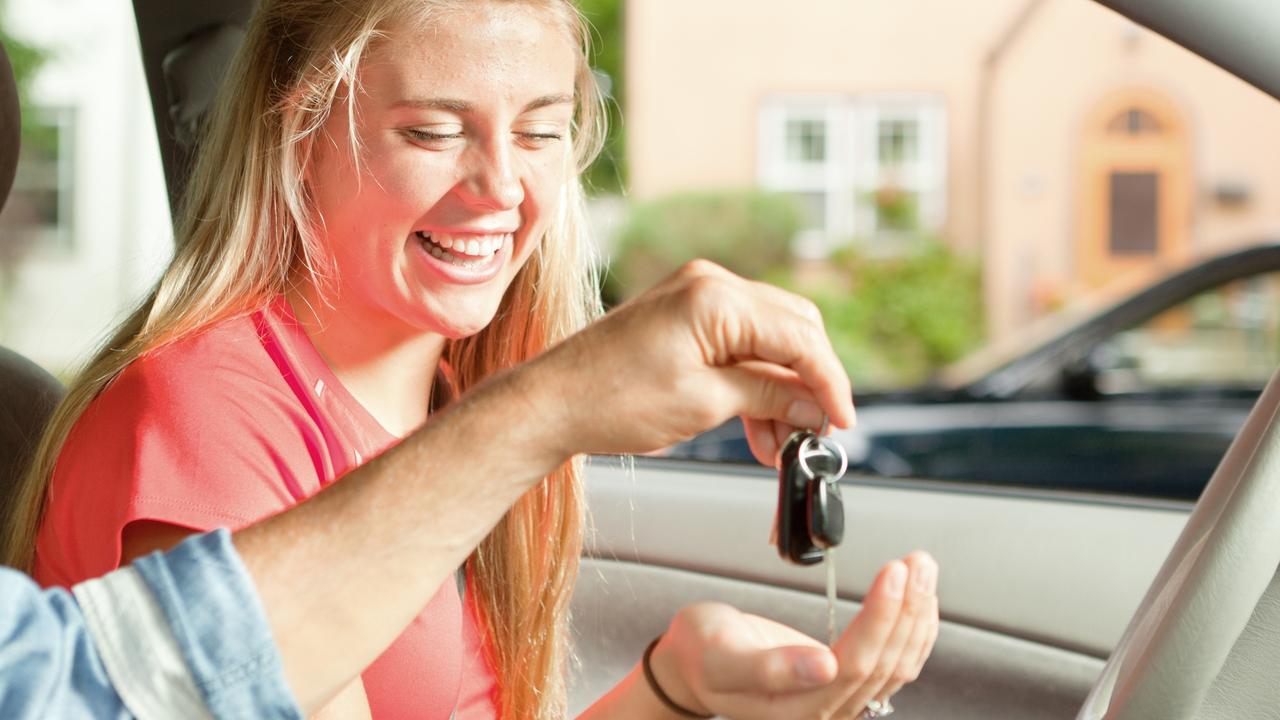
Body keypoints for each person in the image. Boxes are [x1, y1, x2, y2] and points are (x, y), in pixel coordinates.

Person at [1, 1, 940, 718]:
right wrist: (551, 408)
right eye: (432, 131)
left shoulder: (453, 390)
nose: (502, 187)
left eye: (540, 131)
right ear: (298, 130)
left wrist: (672, 688)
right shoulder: (202, 419)